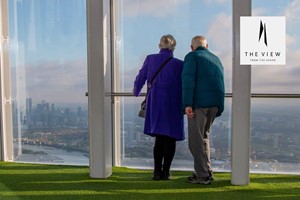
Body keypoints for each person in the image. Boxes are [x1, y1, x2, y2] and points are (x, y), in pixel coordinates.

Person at [133, 34, 184, 180]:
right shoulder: (180, 64)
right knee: (171, 138)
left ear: (159, 45)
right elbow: (185, 84)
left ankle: (156, 172)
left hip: (155, 102)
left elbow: (141, 77)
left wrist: (136, 91)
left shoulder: (150, 59)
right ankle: (166, 172)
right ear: (173, 47)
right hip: (174, 103)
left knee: (160, 138)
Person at [182, 35, 225, 185]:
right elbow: (220, 83)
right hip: (214, 104)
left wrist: (187, 103)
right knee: (204, 137)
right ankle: (207, 171)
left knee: (195, 141)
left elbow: (188, 80)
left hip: (198, 105)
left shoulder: (192, 57)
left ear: (191, 47)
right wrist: (219, 106)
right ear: (207, 46)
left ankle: (202, 176)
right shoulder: (216, 59)